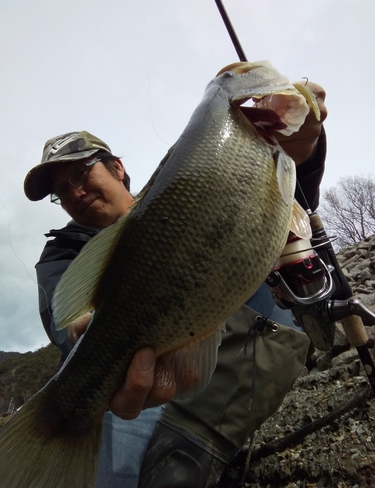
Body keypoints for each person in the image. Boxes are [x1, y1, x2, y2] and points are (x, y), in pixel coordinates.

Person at [23, 81, 327, 488]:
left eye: (80, 173)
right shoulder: (61, 253)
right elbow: (66, 321)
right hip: (142, 380)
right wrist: (89, 337)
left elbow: (281, 192)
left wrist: (305, 140)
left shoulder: (189, 185)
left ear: (116, 167)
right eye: (61, 191)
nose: (74, 192)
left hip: (236, 357)